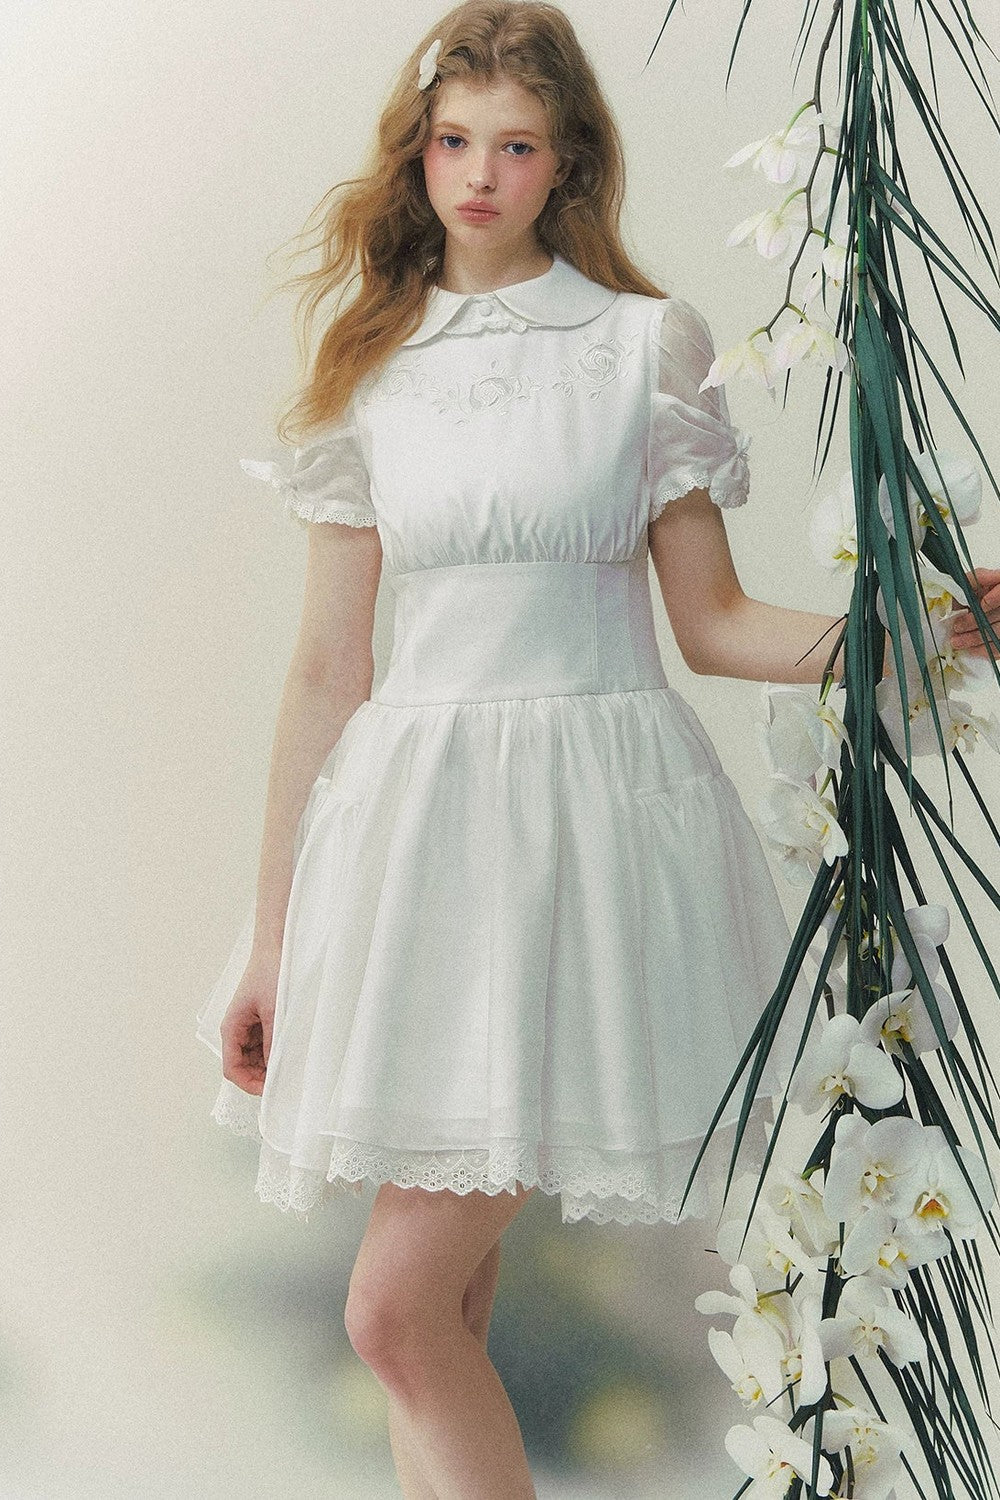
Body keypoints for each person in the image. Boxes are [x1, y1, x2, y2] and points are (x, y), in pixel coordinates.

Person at [194, 4, 1000, 1494]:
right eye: (453, 143)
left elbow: (715, 623)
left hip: (589, 829)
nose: (478, 176)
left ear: (566, 162)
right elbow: (324, 672)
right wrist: (270, 940)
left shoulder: (644, 346)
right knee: (441, 1312)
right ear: (416, 153)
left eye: (514, 147)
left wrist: (909, 629)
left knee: (392, 1314)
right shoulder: (371, 362)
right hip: (413, 841)